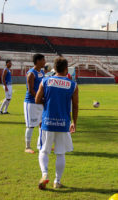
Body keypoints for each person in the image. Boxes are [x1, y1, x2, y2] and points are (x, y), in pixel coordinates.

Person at [35, 57, 78, 189]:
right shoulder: (72, 84)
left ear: (54, 69)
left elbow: (37, 99)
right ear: (66, 69)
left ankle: (45, 174)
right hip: (63, 123)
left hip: (47, 121)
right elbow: (75, 105)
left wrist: (47, 102)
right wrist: (74, 122)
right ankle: (57, 181)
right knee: (60, 153)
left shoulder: (46, 81)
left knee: (44, 150)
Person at [24, 54, 46, 154]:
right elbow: (30, 90)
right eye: (43, 60)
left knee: (42, 124)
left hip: (40, 102)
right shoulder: (31, 74)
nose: (44, 62)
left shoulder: (41, 72)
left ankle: (41, 145)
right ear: (37, 61)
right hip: (31, 103)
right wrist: (40, 99)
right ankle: (27, 147)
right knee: (31, 125)